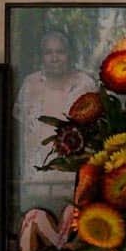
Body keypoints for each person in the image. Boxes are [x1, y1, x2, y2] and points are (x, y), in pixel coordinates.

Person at [13, 30, 96, 212]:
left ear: (69, 54)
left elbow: (95, 132)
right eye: (48, 52)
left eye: (60, 52)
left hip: (74, 178)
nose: (54, 58)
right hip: (35, 180)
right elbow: (21, 132)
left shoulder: (84, 84)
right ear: (42, 57)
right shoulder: (30, 84)